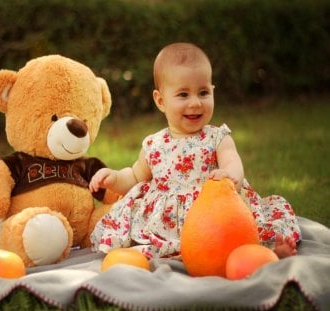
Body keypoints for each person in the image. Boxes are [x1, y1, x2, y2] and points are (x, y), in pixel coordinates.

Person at [89, 42, 301, 259]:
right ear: (161, 100)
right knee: (144, 243)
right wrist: (114, 177)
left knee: (239, 236)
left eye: (203, 93)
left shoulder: (217, 137)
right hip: (168, 223)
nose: (195, 103)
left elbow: (233, 162)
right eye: (183, 95)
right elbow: (134, 176)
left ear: (212, 91)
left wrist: (230, 176)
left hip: (215, 213)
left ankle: (271, 249)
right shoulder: (154, 145)